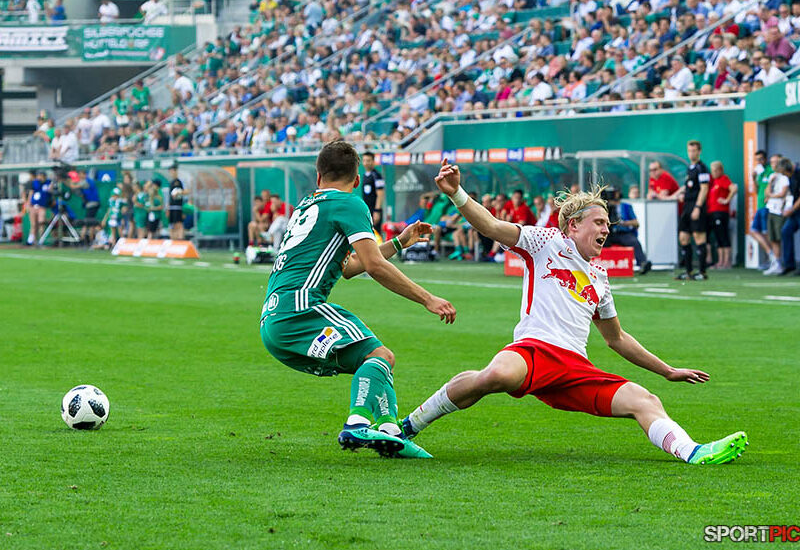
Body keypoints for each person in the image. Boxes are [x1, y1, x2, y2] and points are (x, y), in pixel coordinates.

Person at [400, 160, 747, 466]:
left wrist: (667, 371)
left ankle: (692, 451)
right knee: (496, 375)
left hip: (574, 368)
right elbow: (490, 226)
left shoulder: (600, 278)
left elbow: (617, 339)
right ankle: (409, 426)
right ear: (574, 225)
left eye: (607, 224)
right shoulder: (545, 242)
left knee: (644, 399)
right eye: (599, 222)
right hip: (534, 350)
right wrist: (457, 193)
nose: (606, 229)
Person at [259, 141, 456, 458]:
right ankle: (356, 424)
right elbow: (374, 266)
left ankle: (391, 433)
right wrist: (427, 298)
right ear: (357, 180)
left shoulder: (307, 206)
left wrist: (399, 242)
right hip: (301, 309)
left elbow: (350, 267)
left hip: (274, 320)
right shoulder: (349, 203)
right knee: (380, 356)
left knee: (377, 359)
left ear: (318, 177)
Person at [676, 141, 711, 281]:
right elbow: (687, 187)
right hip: (687, 206)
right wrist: (678, 195)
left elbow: (704, 189)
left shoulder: (702, 168)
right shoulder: (689, 168)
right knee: (683, 237)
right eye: (689, 150)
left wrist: (697, 207)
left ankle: (702, 272)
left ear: (699, 151)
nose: (691, 153)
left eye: (694, 150)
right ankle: (688, 271)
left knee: (699, 237)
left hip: (697, 206)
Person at [603, 186, 651, 274]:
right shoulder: (604, 206)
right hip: (609, 233)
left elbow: (636, 223)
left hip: (623, 233)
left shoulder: (626, 206)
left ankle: (643, 263)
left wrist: (623, 223)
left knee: (634, 242)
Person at [763, 158, 792, 275]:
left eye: (776, 163)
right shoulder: (772, 176)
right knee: (773, 238)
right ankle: (776, 263)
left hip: (780, 211)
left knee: (780, 237)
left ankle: (784, 263)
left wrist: (770, 196)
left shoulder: (785, 178)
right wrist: (770, 183)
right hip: (771, 209)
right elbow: (766, 192)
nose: (774, 165)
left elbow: (782, 194)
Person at [707, 161, 737, 270]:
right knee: (718, 237)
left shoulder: (724, 179)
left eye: (715, 170)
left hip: (721, 212)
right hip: (712, 213)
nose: (713, 173)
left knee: (723, 236)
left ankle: (726, 262)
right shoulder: (714, 181)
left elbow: (733, 188)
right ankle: (720, 262)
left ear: (720, 170)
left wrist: (726, 200)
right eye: (712, 171)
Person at [749, 150, 774, 269]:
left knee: (767, 233)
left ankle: (774, 259)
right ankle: (771, 254)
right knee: (753, 231)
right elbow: (757, 191)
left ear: (765, 159)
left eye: (760, 159)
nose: (759, 162)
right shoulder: (759, 172)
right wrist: (753, 178)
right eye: (757, 160)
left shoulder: (770, 171)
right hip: (759, 206)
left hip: (768, 207)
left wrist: (769, 197)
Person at [779, 160, 800, 276]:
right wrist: (785, 204)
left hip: (796, 210)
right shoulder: (790, 178)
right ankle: (789, 265)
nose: (783, 175)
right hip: (795, 211)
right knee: (786, 231)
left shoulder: (798, 174)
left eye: (783, 172)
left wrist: (791, 210)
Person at [360, 151, 385, 232]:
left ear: (373, 161)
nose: (366, 163)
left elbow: (380, 194)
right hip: (367, 210)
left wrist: (377, 211)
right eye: (364, 160)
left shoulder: (377, 175)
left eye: (368, 160)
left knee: (376, 234)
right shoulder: (364, 175)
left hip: (374, 211)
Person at [27, 170, 50, 245]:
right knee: (33, 224)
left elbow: (50, 191)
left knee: (41, 223)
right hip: (33, 206)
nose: (39, 177)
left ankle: (41, 240)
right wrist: (28, 204)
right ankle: (31, 240)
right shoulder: (34, 182)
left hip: (42, 206)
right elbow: (31, 193)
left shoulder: (48, 182)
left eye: (41, 176)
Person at [167, 164, 185, 240]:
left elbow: (185, 191)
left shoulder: (179, 182)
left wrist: (178, 192)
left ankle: (180, 239)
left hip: (177, 206)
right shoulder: (171, 182)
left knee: (178, 223)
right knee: (172, 224)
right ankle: (173, 239)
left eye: (172, 171)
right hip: (172, 206)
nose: (171, 173)